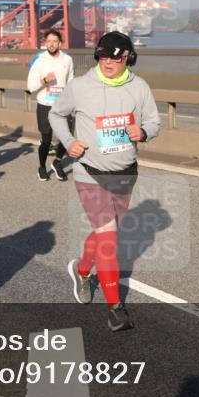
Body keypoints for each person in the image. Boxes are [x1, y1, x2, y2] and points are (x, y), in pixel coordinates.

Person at [50, 31, 160, 332]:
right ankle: (115, 308)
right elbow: (56, 115)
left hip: (124, 172)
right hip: (89, 171)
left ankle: (83, 269)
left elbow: (154, 121)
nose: (108, 61)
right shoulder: (80, 86)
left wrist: (145, 132)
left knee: (105, 235)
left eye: (115, 56)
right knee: (109, 238)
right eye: (103, 55)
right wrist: (69, 141)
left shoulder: (139, 87)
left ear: (128, 58)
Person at [27, 30, 75, 181]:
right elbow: (30, 86)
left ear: (60, 43)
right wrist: (45, 80)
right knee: (46, 140)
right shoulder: (39, 60)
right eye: (49, 41)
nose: (51, 44)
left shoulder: (68, 60)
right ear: (45, 43)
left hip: (62, 106)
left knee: (66, 138)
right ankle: (42, 167)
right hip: (45, 105)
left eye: (55, 41)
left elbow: (71, 82)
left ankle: (57, 162)